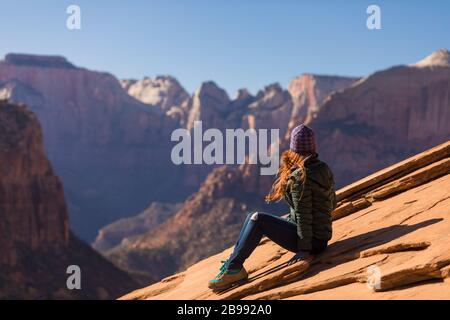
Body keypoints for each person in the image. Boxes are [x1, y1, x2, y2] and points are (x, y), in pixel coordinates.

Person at [208, 124, 337, 291]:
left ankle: (234, 269)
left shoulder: (300, 176)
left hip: (311, 243)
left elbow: (304, 216)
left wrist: (304, 251)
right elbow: (332, 203)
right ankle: (233, 263)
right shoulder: (323, 168)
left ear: (293, 150)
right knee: (252, 216)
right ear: (313, 148)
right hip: (321, 238)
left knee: (257, 219)